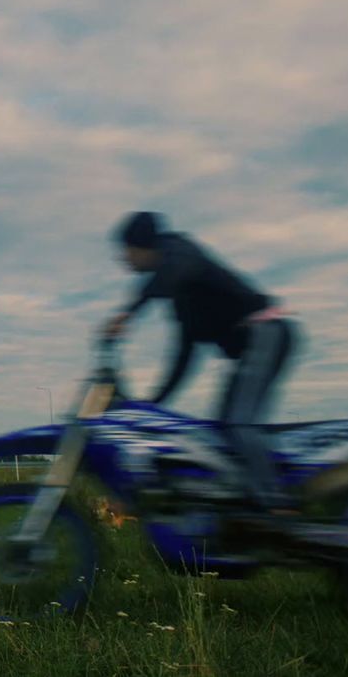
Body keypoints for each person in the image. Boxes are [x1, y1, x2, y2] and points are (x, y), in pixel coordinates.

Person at [102, 211, 297, 517]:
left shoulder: (181, 252)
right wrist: (154, 404)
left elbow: (169, 273)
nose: (125, 261)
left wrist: (129, 313)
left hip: (268, 333)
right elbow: (184, 355)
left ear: (142, 245)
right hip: (255, 346)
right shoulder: (183, 297)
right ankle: (251, 501)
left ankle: (277, 505)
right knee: (223, 428)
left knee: (239, 421)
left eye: (126, 252)